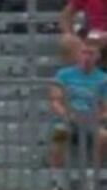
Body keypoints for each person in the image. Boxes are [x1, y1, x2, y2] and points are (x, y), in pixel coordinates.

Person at [49, 40, 107, 169]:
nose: (87, 57)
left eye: (91, 53)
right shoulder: (63, 74)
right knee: (59, 136)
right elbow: (55, 101)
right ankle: (55, 174)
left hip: (91, 119)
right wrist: (67, 115)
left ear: (97, 56)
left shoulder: (104, 79)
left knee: (103, 136)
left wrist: (96, 117)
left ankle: (94, 172)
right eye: (84, 52)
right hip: (67, 119)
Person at [60, 0, 107, 66]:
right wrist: (68, 34)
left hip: (100, 36)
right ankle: (80, 70)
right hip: (94, 35)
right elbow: (66, 16)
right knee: (68, 41)